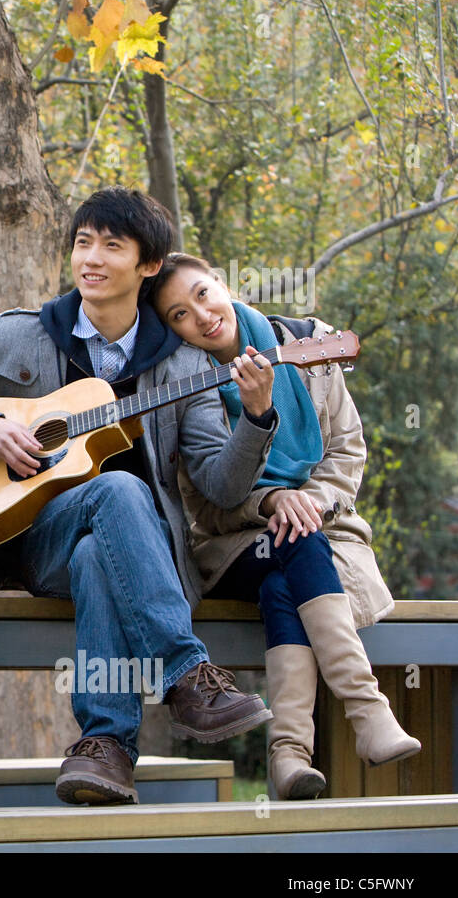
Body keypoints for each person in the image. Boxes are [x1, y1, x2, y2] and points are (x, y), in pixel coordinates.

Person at [0, 187, 277, 806]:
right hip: (25, 547)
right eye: (83, 243)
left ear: (148, 265)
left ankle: (105, 749)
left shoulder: (184, 367)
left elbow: (221, 484)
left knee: (100, 549)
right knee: (117, 489)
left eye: (111, 245)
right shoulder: (18, 336)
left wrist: (257, 416)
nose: (91, 258)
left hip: (135, 561)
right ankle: (186, 674)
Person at [150, 252, 419, 799]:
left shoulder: (306, 341)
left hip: (313, 534)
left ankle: (290, 757)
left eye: (202, 294)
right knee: (293, 542)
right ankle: (366, 710)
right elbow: (205, 506)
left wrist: (308, 502)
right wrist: (270, 500)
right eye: (179, 314)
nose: (200, 316)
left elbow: (346, 452)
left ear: (222, 284)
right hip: (228, 547)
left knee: (286, 567)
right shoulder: (185, 382)